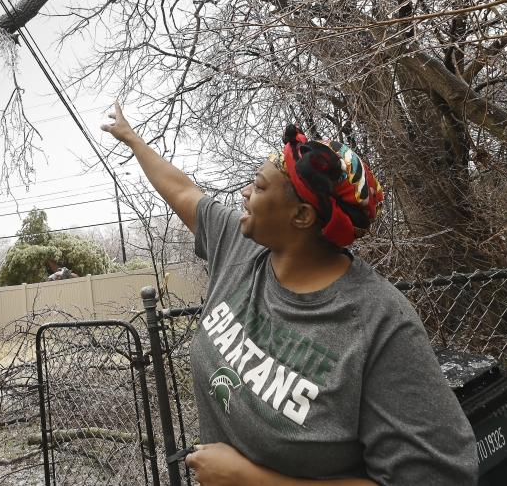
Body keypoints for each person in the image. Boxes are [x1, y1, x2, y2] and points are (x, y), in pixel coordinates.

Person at [101, 102, 477, 485]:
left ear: (301, 216)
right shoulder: (240, 248)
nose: (245, 193)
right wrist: (133, 140)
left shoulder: (379, 322)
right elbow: (183, 191)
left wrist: (250, 479)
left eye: (260, 186)